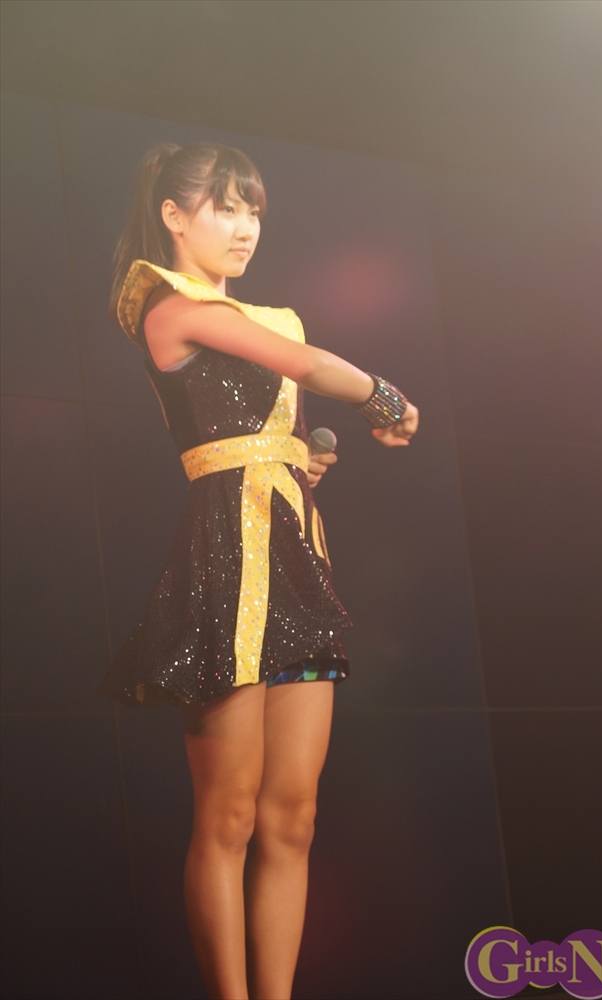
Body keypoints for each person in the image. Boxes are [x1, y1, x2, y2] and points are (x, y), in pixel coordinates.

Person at [98, 142, 418, 1000]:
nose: (245, 229)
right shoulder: (169, 306)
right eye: (225, 209)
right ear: (174, 216)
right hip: (224, 565)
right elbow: (303, 365)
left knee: (293, 817)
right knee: (230, 815)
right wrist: (385, 397)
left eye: (254, 212)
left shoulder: (255, 315)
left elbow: (266, 412)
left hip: (295, 556)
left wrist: (296, 461)